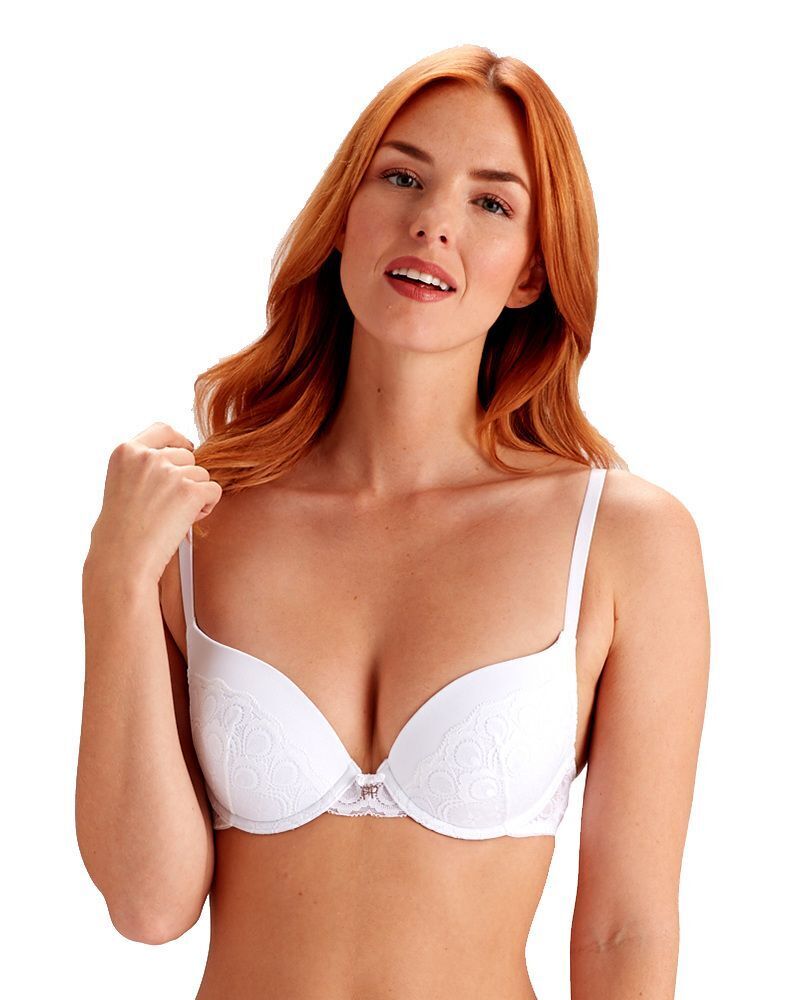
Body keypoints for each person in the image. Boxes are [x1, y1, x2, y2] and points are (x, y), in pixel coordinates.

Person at [76, 44, 710, 1000]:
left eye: (491, 202)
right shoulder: (198, 522)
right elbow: (148, 905)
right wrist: (114, 580)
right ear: (344, 218)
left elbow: (627, 930)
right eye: (403, 178)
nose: (433, 223)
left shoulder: (623, 540)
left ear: (532, 274)